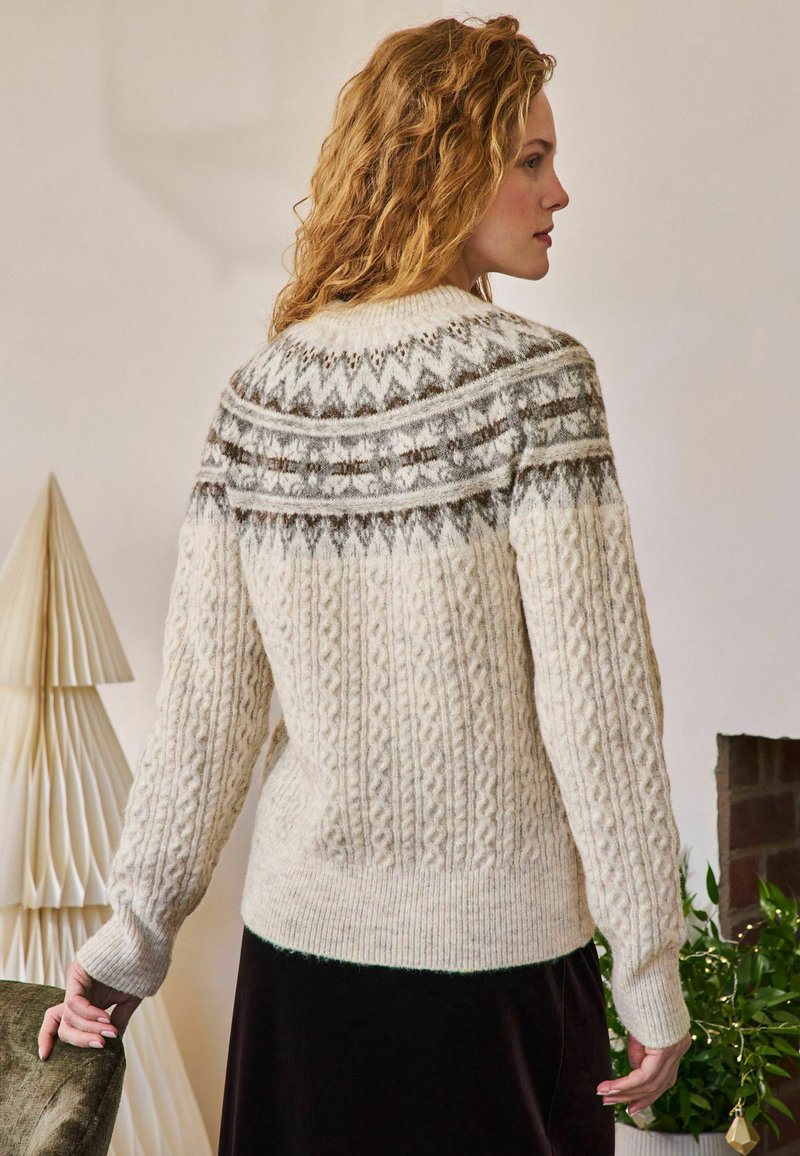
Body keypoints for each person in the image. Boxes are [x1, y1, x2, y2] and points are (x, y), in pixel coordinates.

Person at [38, 13, 692, 1154]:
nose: (559, 192)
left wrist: (125, 949)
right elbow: (600, 708)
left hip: (302, 986)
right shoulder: (538, 385)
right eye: (530, 160)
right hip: (494, 984)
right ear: (446, 168)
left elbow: (203, 717)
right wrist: (648, 974)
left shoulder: (259, 399)